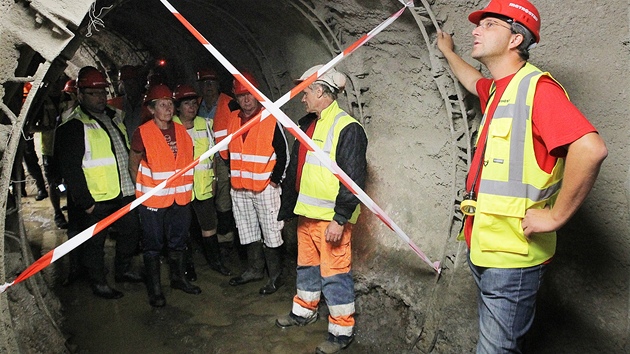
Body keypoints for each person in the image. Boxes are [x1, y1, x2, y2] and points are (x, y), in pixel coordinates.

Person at [435, 0, 608, 352]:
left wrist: (556, 216)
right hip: (487, 249)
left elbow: (591, 149)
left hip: (513, 258)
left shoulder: (538, 89)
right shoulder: (500, 88)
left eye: (489, 25)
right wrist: (447, 51)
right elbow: (472, 80)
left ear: (515, 39)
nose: (475, 30)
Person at [275, 65, 367, 354]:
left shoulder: (347, 127)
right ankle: (304, 310)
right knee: (307, 267)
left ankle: (341, 331)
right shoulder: (307, 124)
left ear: (320, 91)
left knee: (335, 273)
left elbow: (353, 179)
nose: (302, 99)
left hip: (330, 219)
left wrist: (340, 219)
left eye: (305, 92)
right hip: (308, 215)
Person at [55, 67, 143, 299]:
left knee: (130, 233)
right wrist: (86, 202)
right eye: (94, 93)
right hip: (98, 198)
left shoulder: (115, 116)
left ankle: (123, 271)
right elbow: (70, 169)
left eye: (103, 92)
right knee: (95, 244)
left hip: (123, 191)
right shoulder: (74, 125)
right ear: (80, 95)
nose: (101, 97)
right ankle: (99, 283)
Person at [129, 83, 201, 308]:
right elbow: (134, 164)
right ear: (151, 109)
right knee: (153, 245)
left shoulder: (181, 131)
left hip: (180, 199)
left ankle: (178, 279)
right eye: (162, 104)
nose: (168, 108)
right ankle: (155, 289)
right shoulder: (143, 132)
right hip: (153, 201)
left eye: (170, 104)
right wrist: (142, 191)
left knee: (178, 242)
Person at [221, 72, 288, 295]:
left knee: (271, 232)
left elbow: (284, 154)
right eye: (241, 95)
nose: (246, 99)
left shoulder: (270, 118)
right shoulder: (232, 120)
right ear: (236, 98)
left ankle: (275, 276)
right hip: (240, 188)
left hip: (264, 188)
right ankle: (255, 269)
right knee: (247, 230)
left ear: (257, 95)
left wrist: (275, 182)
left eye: (250, 94)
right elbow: (226, 153)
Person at [172, 84, 231, 276]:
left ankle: (216, 262)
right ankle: (187, 268)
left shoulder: (205, 124)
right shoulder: (170, 126)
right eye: (186, 103)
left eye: (194, 103)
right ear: (178, 107)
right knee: (184, 229)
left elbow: (212, 156)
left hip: (203, 186)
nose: (192, 107)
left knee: (209, 226)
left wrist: (213, 179)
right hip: (181, 189)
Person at [196, 69, 239, 250]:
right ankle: (207, 234)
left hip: (222, 157)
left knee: (223, 196)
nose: (208, 87)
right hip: (200, 158)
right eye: (205, 84)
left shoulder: (229, 104)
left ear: (218, 85)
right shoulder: (197, 105)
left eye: (212, 83)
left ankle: (225, 237)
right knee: (203, 195)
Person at [108, 65, 146, 138]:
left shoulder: (149, 103)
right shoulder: (115, 104)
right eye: (127, 83)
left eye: (132, 82)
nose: (130, 86)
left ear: (139, 83)